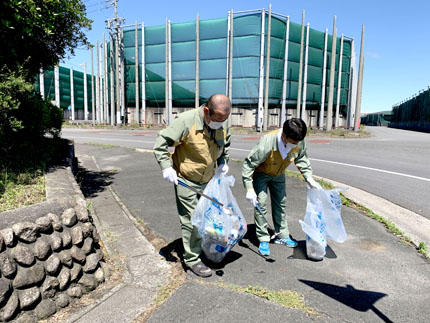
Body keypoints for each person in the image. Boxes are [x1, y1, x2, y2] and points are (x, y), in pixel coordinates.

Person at [153, 94, 231, 277]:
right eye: (217, 119)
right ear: (206, 111)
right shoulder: (186, 121)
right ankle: (192, 259)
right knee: (192, 221)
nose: (220, 123)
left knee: (211, 218)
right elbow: (161, 143)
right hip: (185, 179)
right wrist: (166, 167)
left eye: (224, 119)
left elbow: (224, 145)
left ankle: (203, 248)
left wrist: (223, 162)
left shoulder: (223, 121)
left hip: (209, 180)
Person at [241, 118, 321, 256]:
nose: (296, 145)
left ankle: (282, 235)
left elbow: (301, 158)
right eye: (293, 142)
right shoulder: (267, 142)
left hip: (279, 175)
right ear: (283, 135)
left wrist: (308, 177)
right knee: (261, 204)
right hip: (262, 173)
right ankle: (263, 239)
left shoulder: (298, 140)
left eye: (298, 142)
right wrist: (249, 188)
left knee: (281, 203)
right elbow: (249, 164)